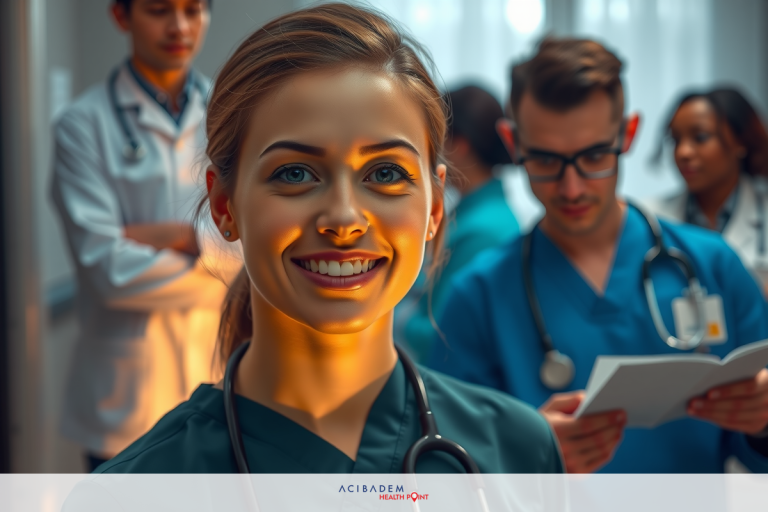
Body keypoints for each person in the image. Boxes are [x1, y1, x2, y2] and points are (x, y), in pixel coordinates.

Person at [89, 3, 563, 474]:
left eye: (385, 173)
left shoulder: (520, 452)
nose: (343, 219)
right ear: (224, 206)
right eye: (295, 173)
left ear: (434, 208)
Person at [429, 38, 768, 473]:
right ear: (512, 143)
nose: (571, 188)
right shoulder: (477, 297)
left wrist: (762, 421)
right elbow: (442, 469)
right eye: (545, 160)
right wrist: (524, 456)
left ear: (627, 135)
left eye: (593, 156)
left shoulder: (713, 266)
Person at [51, 0, 239, 472]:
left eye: (193, 10)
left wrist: (183, 236)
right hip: (127, 401)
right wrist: (217, 256)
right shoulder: (83, 124)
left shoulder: (232, 114)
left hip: (220, 380)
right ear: (121, 16)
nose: (179, 26)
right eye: (159, 10)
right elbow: (109, 273)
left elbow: (252, 250)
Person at [397, 85, 519, 361]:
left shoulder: (483, 232)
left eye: (434, 141)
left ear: (460, 145)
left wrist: (383, 316)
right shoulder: (475, 218)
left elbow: (440, 333)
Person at [647, 88, 768, 296]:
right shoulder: (650, 218)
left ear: (740, 141)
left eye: (700, 137)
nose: (683, 152)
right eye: (675, 140)